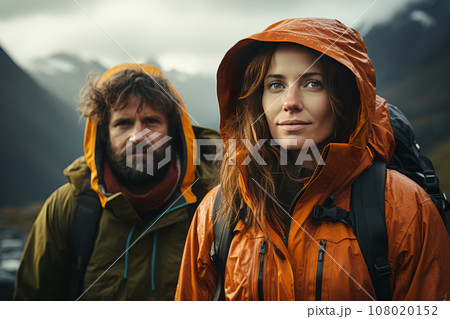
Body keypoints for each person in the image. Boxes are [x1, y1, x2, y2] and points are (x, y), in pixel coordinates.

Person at [175, 18, 450, 300]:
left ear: (344, 96)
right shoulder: (219, 210)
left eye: (312, 83)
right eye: (275, 85)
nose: (290, 102)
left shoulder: (403, 207)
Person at [14, 63, 220, 300]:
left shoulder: (213, 204)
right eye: (123, 123)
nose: (138, 135)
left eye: (151, 121)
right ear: (103, 134)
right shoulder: (68, 207)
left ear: (172, 133)